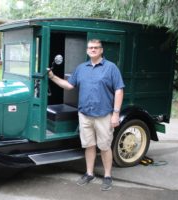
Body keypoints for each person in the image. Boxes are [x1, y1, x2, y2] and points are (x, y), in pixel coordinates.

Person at [48, 39, 124, 191]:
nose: (93, 50)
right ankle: (89, 173)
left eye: (96, 48)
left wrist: (116, 114)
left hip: (104, 115)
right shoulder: (81, 68)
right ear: (87, 51)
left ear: (101, 50)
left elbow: (119, 90)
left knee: (104, 146)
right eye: (90, 48)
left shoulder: (111, 68)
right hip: (85, 115)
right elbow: (69, 85)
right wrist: (52, 77)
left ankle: (108, 176)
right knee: (89, 145)